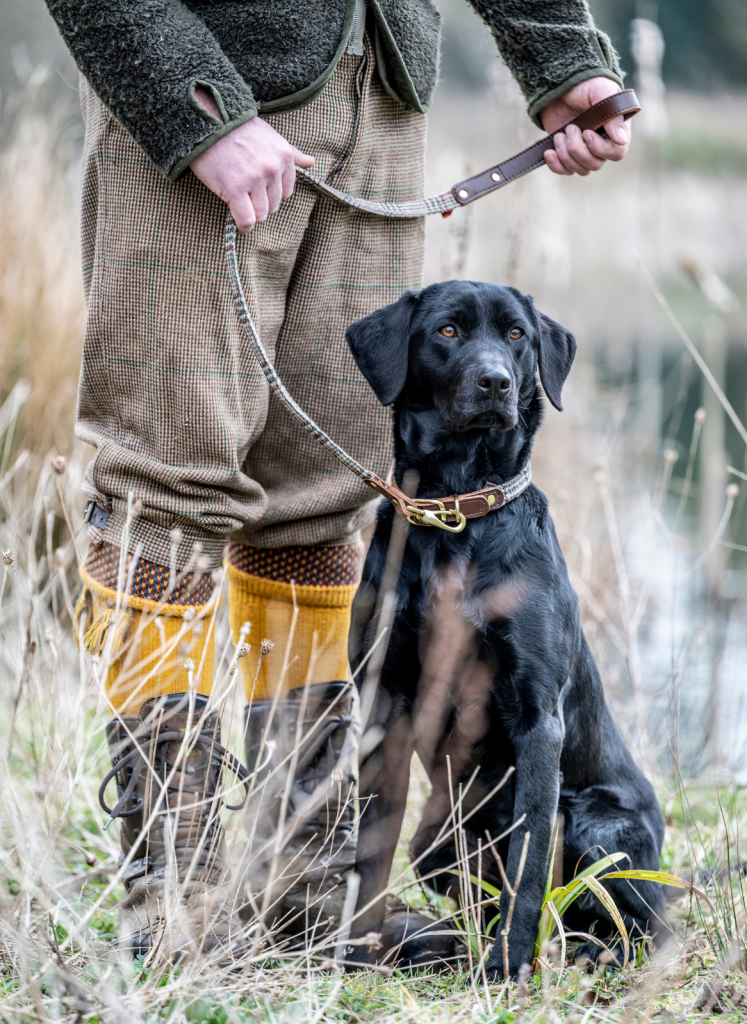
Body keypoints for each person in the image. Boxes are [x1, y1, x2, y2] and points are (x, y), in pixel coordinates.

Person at [45, 0, 631, 962]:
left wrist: (557, 52)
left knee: (324, 495)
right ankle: (173, 904)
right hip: (211, 95)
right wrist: (196, 107)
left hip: (385, 102)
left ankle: (307, 894)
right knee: (167, 489)